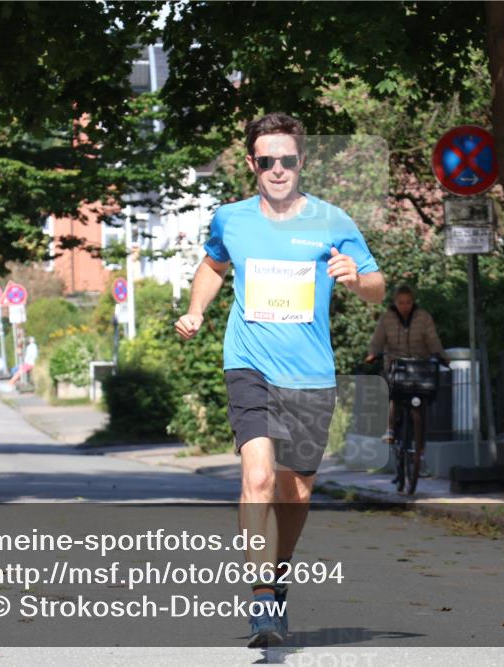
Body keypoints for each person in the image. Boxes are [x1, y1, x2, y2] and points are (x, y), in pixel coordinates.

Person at [175, 112, 385, 647]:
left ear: (301, 161)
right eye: (266, 160)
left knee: (295, 493)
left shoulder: (332, 220)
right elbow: (213, 266)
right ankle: (262, 596)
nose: (277, 169)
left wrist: (356, 279)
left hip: (310, 373)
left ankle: (279, 575)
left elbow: (378, 286)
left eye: (286, 159)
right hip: (250, 365)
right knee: (260, 478)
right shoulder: (231, 219)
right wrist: (197, 310)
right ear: (252, 165)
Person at [365, 284, 448, 480]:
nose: (404, 306)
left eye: (408, 302)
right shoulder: (387, 318)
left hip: (419, 367)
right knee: (393, 395)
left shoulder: (423, 317)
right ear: (395, 302)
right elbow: (378, 339)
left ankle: (420, 455)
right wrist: (372, 353)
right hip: (395, 365)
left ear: (413, 301)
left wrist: (441, 355)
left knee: (421, 409)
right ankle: (391, 429)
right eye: (401, 302)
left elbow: (433, 339)